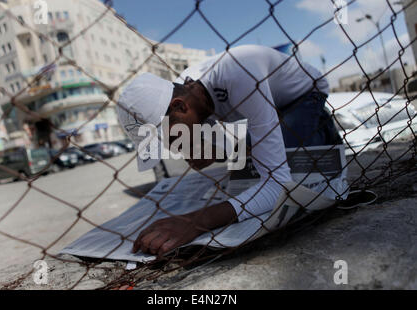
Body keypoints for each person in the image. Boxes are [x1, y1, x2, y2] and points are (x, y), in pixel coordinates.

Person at [116, 45, 341, 257]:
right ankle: (275, 128)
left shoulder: (239, 75)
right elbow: (220, 145)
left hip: (302, 94)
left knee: (290, 163)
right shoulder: (182, 92)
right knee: (245, 155)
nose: (176, 148)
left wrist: (194, 222)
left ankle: (320, 126)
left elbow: (278, 185)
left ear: (181, 106)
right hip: (262, 101)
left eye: (173, 137)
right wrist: (207, 148)